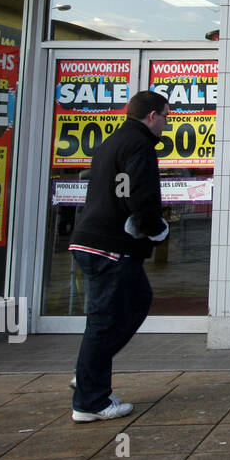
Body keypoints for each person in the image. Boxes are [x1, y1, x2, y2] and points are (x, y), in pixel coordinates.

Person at [66, 90, 171, 422]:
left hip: (92, 241)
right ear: (151, 116)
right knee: (112, 316)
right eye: (166, 116)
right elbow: (138, 192)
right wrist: (156, 228)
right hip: (110, 246)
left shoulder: (113, 142)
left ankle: (89, 378)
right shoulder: (138, 144)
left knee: (127, 306)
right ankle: (90, 400)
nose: (167, 124)